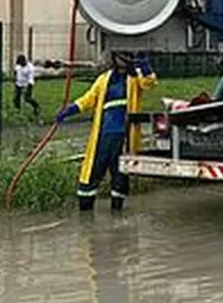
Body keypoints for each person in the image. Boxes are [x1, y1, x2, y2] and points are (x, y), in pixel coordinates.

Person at [55, 50, 157, 211]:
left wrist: (144, 66)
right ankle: (86, 210)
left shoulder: (135, 78)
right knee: (93, 170)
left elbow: (150, 83)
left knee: (120, 174)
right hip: (104, 134)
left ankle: (117, 212)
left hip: (124, 136)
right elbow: (88, 99)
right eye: (123, 55)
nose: (125, 59)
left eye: (129, 56)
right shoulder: (104, 79)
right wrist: (70, 110)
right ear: (115, 57)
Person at [13, 53, 42, 119]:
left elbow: (31, 79)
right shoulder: (18, 66)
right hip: (19, 83)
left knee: (27, 98)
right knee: (16, 98)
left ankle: (36, 107)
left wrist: (28, 88)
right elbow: (15, 71)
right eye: (19, 63)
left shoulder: (30, 68)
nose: (19, 64)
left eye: (21, 63)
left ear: (24, 61)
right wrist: (15, 79)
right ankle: (17, 110)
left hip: (28, 84)